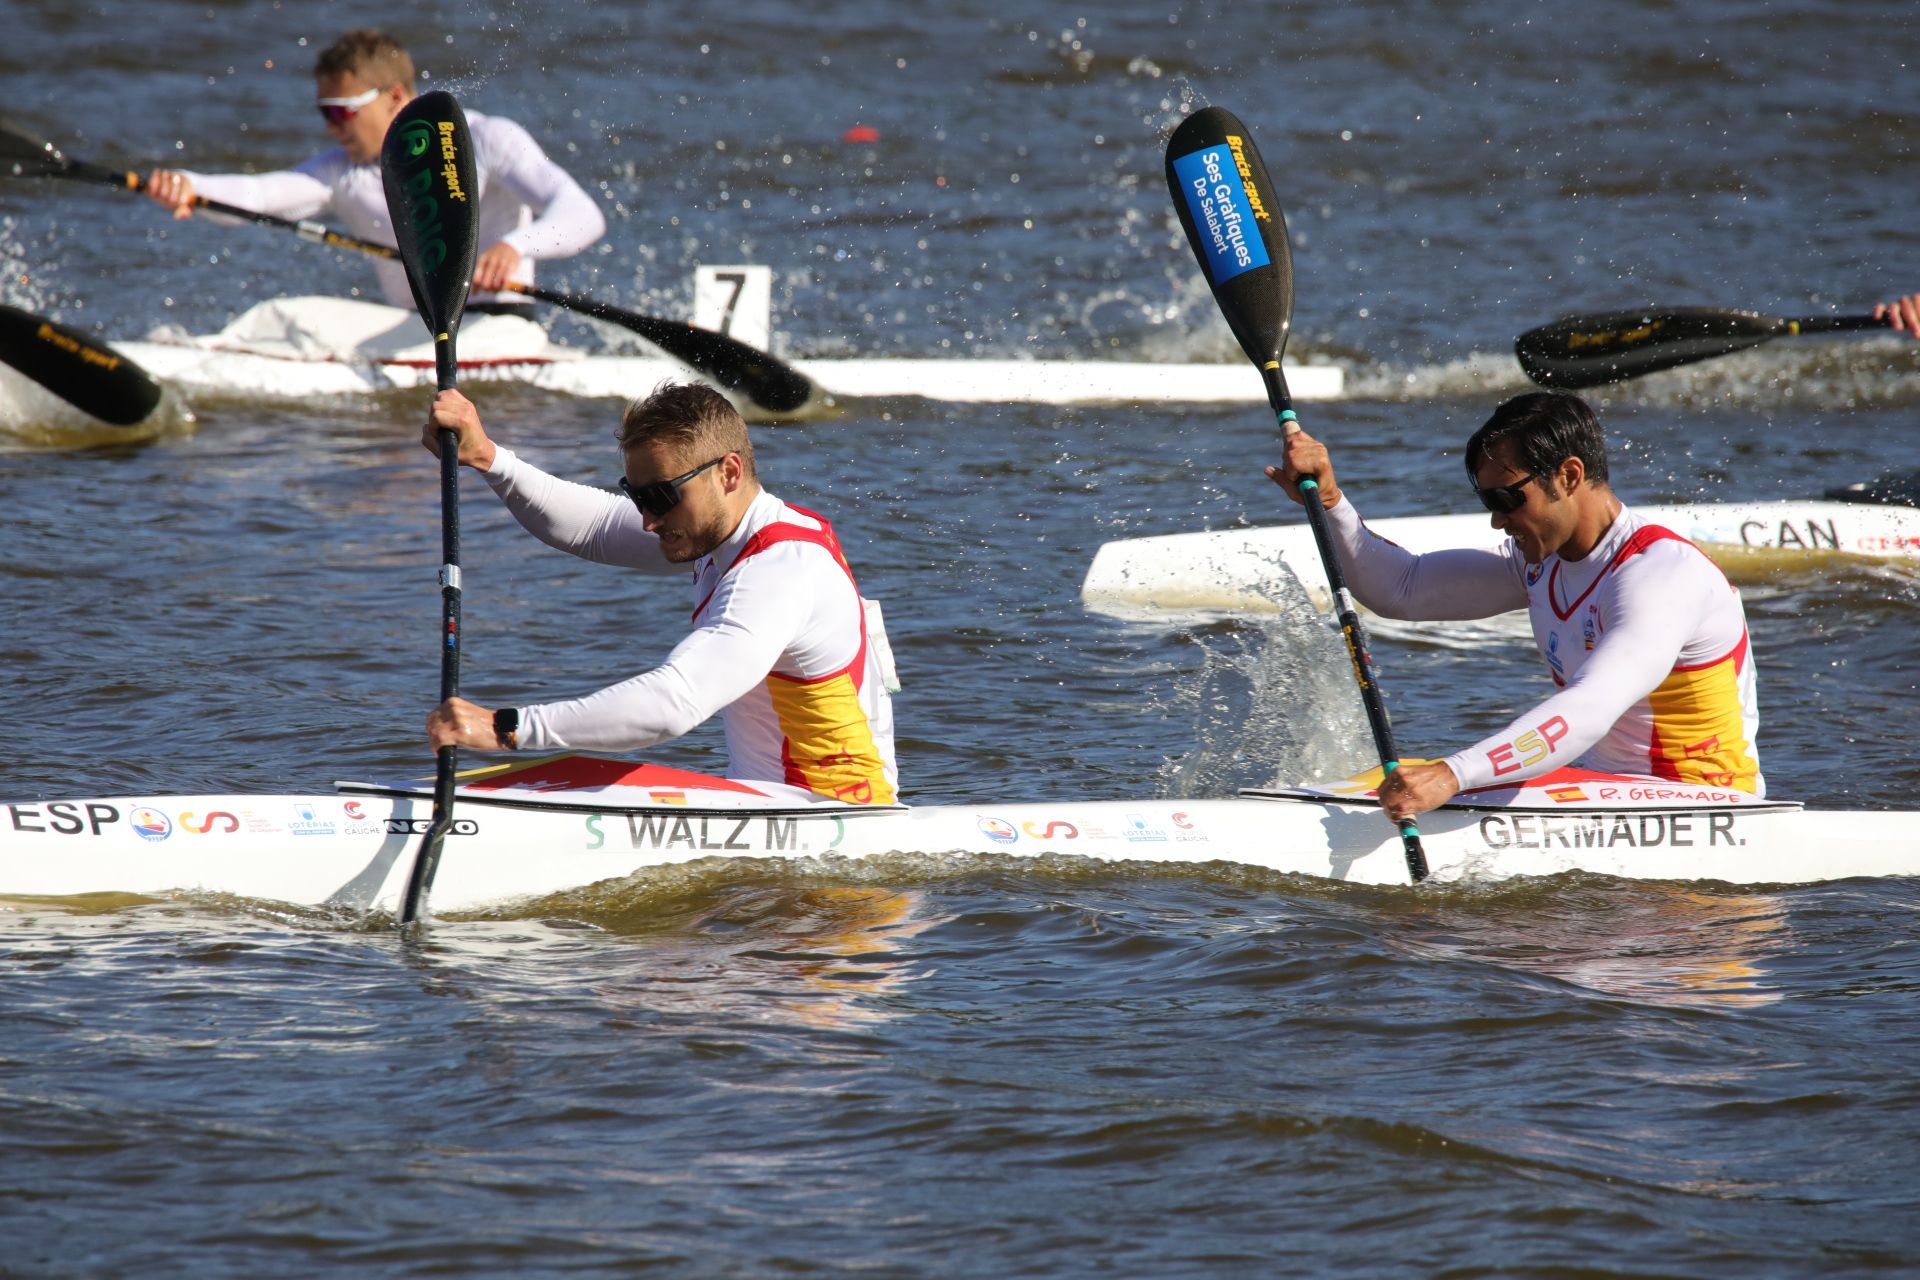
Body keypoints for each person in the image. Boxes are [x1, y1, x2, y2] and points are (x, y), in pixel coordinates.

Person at [1267, 390, 1762, 822]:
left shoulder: (1659, 575)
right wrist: (1330, 501)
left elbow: (1589, 710)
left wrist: (1452, 775)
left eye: (1508, 498)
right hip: (1602, 787)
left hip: (1703, 801)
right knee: (1384, 780)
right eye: (1489, 502)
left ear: (1569, 476)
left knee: (1431, 781)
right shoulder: (1541, 563)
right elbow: (1402, 587)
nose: (1499, 522)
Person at [421, 382, 899, 805]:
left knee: (555, 775)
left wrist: (507, 728)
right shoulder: (724, 530)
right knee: (561, 779)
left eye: (662, 498)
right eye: (638, 497)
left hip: (833, 822)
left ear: (728, 473)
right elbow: (593, 526)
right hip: (772, 805)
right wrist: (488, 457)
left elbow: (676, 701)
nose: (649, 520)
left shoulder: (779, 572)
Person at [142, 28, 605, 309]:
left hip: (501, 325)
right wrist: (189, 185)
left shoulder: (483, 139)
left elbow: (583, 216)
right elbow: (261, 197)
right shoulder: (340, 172)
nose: (332, 127)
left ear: (397, 97)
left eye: (343, 111)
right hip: (412, 332)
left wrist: (513, 248)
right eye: (325, 112)